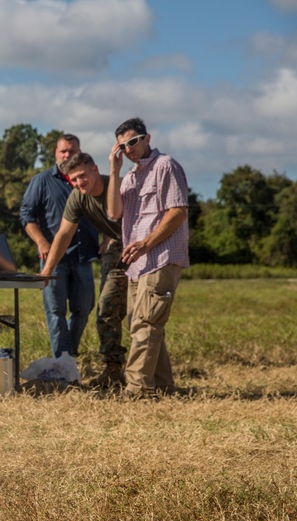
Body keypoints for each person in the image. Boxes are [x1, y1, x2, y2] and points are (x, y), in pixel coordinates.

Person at [107, 117, 190, 398]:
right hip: (137, 263)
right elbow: (114, 213)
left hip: (161, 256)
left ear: (147, 139)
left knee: (146, 322)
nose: (128, 148)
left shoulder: (166, 166)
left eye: (132, 142)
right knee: (143, 322)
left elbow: (178, 212)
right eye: (122, 145)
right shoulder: (129, 177)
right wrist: (115, 171)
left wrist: (146, 244)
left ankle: (137, 388)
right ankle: (163, 387)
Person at [40, 152, 128, 388]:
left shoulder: (118, 186)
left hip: (143, 245)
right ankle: (113, 371)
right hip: (119, 248)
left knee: (142, 315)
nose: (79, 183)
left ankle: (146, 373)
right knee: (107, 308)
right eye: (73, 180)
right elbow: (63, 235)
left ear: (95, 169)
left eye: (82, 176)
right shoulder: (78, 197)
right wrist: (47, 271)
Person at [19, 133, 98, 359]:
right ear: (55, 153)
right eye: (63, 151)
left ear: (79, 153)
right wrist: (42, 242)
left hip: (83, 255)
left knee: (83, 309)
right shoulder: (42, 180)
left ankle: (68, 356)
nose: (66, 155)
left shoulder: (87, 179)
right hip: (53, 258)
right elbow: (26, 215)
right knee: (55, 310)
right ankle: (62, 360)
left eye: (71, 151)